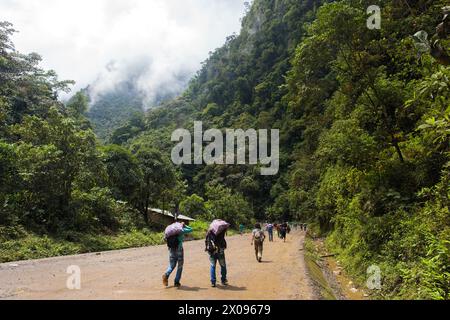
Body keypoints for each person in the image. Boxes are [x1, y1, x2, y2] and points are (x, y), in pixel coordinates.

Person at [162, 222, 192, 288]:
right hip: (179, 250)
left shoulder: (169, 231)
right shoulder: (181, 231)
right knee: (180, 266)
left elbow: (164, 239)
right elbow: (191, 229)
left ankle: (166, 274)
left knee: (172, 265)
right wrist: (185, 225)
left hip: (171, 250)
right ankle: (176, 282)